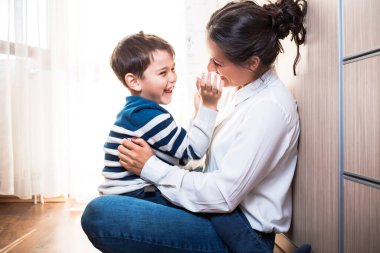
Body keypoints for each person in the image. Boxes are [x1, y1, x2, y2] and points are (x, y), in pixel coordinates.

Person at [81, 0, 307, 252]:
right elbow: (204, 161)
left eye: (218, 63)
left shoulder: (269, 108)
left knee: (99, 214)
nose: (209, 68)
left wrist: (150, 167)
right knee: (110, 209)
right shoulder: (242, 94)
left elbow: (221, 194)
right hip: (219, 216)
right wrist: (201, 114)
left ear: (252, 63)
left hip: (237, 233)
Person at [98, 31, 223, 196]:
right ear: (134, 81)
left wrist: (197, 112)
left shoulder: (137, 113)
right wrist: (208, 106)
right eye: (163, 72)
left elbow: (180, 155)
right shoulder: (148, 116)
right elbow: (193, 151)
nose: (173, 77)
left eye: (173, 68)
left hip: (129, 194)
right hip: (136, 194)